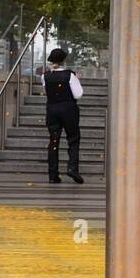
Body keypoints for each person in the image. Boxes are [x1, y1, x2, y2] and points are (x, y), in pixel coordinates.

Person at [42, 47, 84, 184]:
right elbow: (78, 94)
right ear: (63, 60)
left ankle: (53, 174)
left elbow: (48, 91)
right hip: (69, 110)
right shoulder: (70, 75)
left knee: (53, 141)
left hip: (52, 109)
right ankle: (72, 168)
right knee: (73, 138)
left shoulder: (45, 76)